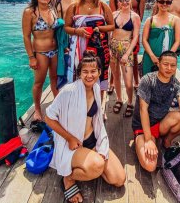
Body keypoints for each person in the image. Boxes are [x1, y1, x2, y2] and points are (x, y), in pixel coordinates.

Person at [46, 51, 125, 203]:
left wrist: (100, 147)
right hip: (74, 145)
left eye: (93, 71)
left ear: (100, 72)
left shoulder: (95, 88)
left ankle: (91, 163)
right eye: (85, 72)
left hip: (92, 140)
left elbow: (96, 121)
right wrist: (69, 137)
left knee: (118, 179)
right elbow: (48, 118)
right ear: (79, 73)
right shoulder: (68, 92)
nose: (90, 75)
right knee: (97, 165)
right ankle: (68, 178)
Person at [132, 50, 180, 172]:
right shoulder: (148, 80)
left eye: (173, 65)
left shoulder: (175, 84)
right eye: (165, 64)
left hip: (160, 123)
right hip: (143, 128)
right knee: (150, 166)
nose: (169, 68)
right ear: (158, 63)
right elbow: (143, 110)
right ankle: (149, 141)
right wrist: (148, 140)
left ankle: (166, 141)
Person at [64, 0, 114, 91]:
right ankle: (80, 104)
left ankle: (98, 107)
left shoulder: (103, 6)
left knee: (98, 76)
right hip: (79, 48)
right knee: (80, 74)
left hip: (99, 48)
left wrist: (99, 29)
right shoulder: (74, 7)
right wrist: (77, 31)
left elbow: (112, 26)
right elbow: (66, 27)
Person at [22, 0, 59, 122]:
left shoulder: (52, 10)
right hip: (40, 53)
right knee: (39, 82)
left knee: (54, 79)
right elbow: (26, 36)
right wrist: (31, 57)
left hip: (54, 51)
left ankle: (58, 104)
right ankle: (37, 109)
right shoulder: (30, 12)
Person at [109, 0, 145, 93]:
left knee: (133, 57)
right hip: (118, 30)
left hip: (133, 28)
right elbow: (112, 16)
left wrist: (134, 30)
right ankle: (112, 82)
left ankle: (136, 81)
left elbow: (140, 14)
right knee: (115, 58)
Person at [110, 0, 141, 117]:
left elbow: (135, 37)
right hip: (113, 47)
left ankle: (130, 102)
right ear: (118, 1)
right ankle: (119, 99)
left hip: (126, 48)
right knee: (116, 76)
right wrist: (108, 46)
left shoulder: (135, 17)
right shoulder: (114, 14)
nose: (124, 2)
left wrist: (127, 53)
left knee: (128, 82)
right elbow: (110, 32)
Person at [142, 0, 180, 75]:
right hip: (150, 57)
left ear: (171, 3)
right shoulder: (150, 20)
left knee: (166, 83)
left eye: (168, 2)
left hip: (168, 61)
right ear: (157, 2)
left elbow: (177, 41)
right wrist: (152, 56)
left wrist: (168, 57)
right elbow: (144, 40)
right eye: (162, 1)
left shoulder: (175, 20)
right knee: (148, 82)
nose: (164, 4)